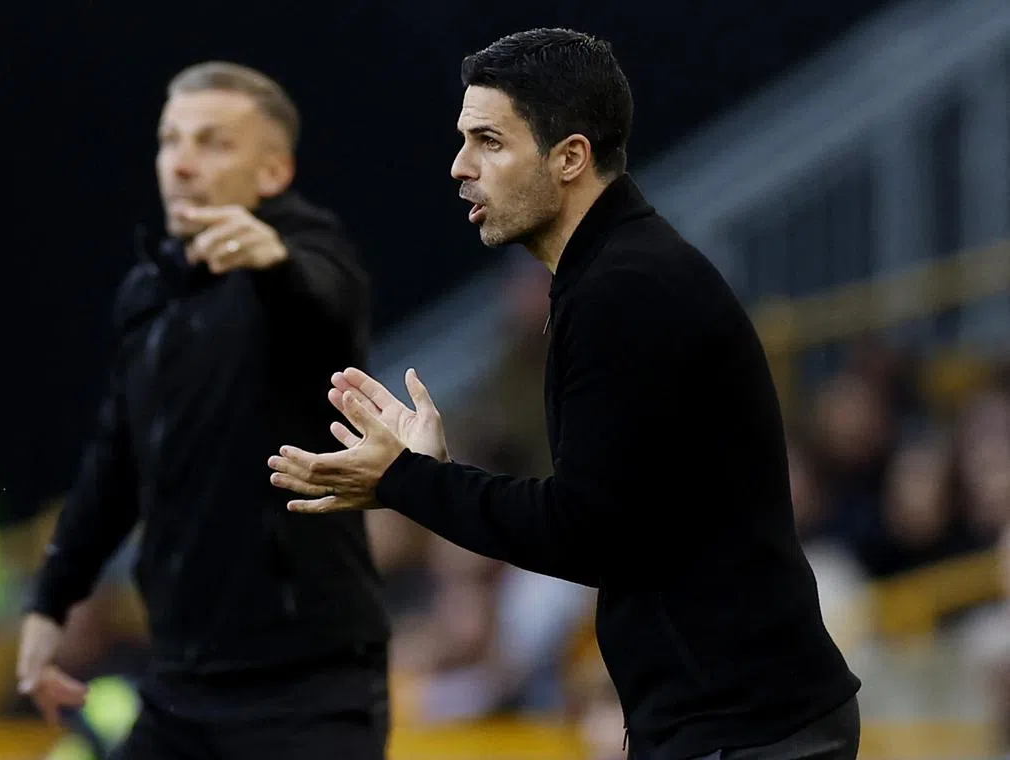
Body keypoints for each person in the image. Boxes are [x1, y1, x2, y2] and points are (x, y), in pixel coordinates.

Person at [268, 28, 862, 760]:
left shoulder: (624, 290)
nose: (459, 167)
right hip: (741, 724)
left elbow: (585, 530)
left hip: (748, 733)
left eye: (488, 141)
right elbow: (614, 524)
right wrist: (428, 481)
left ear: (571, 157)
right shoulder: (614, 275)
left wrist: (411, 482)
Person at [18, 61, 390, 760]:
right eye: (171, 140)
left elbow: (327, 308)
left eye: (213, 143)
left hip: (307, 692)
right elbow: (114, 464)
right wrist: (50, 602)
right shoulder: (149, 292)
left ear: (274, 172)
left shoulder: (311, 254)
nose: (182, 164)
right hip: (180, 688)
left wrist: (275, 262)